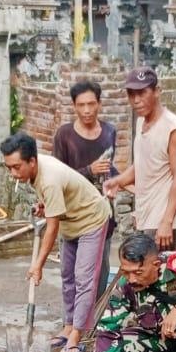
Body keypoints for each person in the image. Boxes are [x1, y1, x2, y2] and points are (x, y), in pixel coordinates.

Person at [0, 132, 111, 352]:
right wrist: (45, 204)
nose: (13, 173)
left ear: (32, 161)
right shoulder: (34, 171)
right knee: (67, 277)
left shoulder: (49, 178)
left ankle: (77, 335)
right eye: (9, 167)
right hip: (71, 222)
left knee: (83, 278)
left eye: (16, 167)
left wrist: (38, 265)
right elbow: (57, 196)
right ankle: (68, 326)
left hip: (91, 220)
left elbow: (51, 229)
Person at [52, 79, 120, 312]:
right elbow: (58, 177)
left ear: (100, 104)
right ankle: (71, 323)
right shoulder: (65, 135)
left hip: (102, 213)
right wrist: (88, 171)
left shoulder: (109, 132)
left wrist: (119, 181)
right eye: (81, 105)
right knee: (71, 273)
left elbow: (110, 169)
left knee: (99, 270)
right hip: (74, 215)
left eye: (92, 104)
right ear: (74, 106)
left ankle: (96, 323)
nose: (87, 110)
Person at [103, 67, 176, 250]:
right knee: (142, 276)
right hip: (144, 218)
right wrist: (117, 181)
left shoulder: (174, 129)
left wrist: (167, 222)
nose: (136, 100)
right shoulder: (142, 122)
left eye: (142, 93)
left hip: (162, 224)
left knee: (157, 276)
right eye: (131, 94)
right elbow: (142, 164)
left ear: (157, 91)